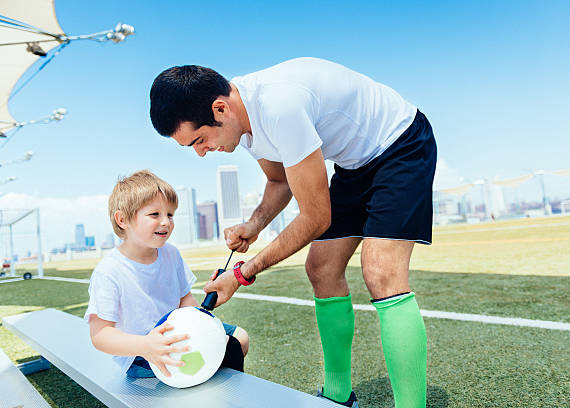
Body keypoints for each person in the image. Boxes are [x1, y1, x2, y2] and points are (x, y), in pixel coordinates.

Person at [150, 57, 436, 407]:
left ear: (220, 109)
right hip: (355, 164)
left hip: (401, 144)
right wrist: (253, 225)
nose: (200, 152)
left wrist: (241, 274)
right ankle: (337, 396)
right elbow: (278, 180)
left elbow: (316, 218)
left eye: (200, 139)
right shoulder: (243, 122)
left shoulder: (279, 108)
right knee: (321, 269)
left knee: (381, 272)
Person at [85, 170, 249, 378]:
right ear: (122, 220)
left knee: (239, 338)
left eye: (170, 214)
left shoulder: (171, 253)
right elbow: (100, 335)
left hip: (178, 333)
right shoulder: (109, 271)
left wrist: (201, 323)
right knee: (221, 349)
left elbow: (185, 299)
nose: (166, 222)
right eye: (155, 214)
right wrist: (145, 345)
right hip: (140, 353)